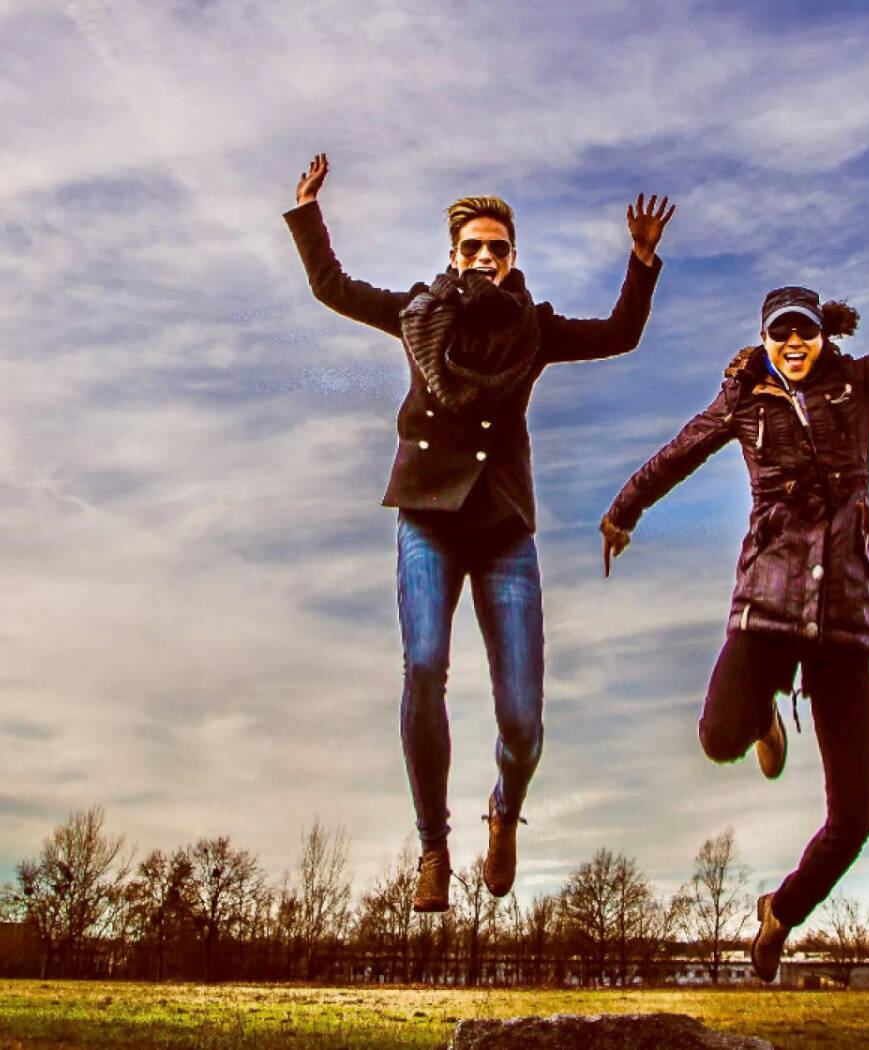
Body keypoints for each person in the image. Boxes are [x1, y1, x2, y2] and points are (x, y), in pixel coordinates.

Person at [600, 174, 869, 981]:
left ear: (819, 336)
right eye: (781, 333)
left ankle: (780, 912)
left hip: (844, 622)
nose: (794, 343)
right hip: (766, 610)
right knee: (718, 738)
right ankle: (767, 713)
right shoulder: (743, 402)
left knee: (854, 818)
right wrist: (623, 512)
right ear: (767, 340)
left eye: (804, 330)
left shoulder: (858, 387)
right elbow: (679, 451)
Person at [285, 153, 674, 912]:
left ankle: (504, 809)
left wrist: (642, 258)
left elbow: (621, 332)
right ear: (454, 255)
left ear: (513, 257)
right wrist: (307, 212)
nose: (486, 258)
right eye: (473, 248)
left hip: (502, 528)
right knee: (424, 665)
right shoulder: (415, 314)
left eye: (499, 248)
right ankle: (433, 844)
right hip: (428, 515)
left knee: (522, 721)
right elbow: (333, 287)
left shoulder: (536, 328)